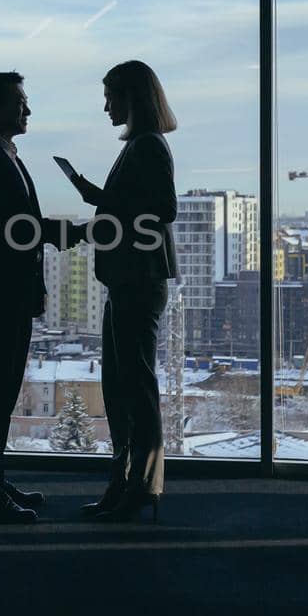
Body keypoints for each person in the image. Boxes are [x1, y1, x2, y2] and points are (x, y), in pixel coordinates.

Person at [0, 71, 76, 524]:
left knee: (0, 392)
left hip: (7, 292)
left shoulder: (3, 155)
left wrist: (36, 288)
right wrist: (70, 232)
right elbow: (6, 231)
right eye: (20, 101)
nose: (28, 110)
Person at [66, 60, 178, 522]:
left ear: (131, 97)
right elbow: (131, 214)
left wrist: (98, 197)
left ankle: (141, 486)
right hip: (128, 280)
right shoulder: (138, 146)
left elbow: (161, 210)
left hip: (138, 280)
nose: (105, 105)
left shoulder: (148, 146)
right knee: (121, 387)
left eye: (110, 95)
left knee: (134, 387)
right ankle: (126, 484)